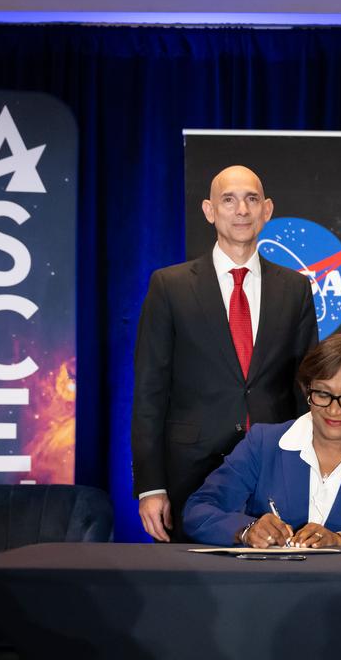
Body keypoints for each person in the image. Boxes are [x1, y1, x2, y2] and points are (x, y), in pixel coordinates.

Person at [132, 165, 319, 542]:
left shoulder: (295, 288)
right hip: (189, 471)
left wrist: (313, 473)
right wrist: (151, 486)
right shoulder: (170, 286)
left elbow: (306, 389)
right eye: (229, 200)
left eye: (252, 199)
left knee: (274, 574)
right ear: (209, 210)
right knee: (190, 577)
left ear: (267, 210)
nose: (242, 210)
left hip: (273, 469)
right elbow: (149, 391)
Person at [184, 333, 341, 548]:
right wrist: (246, 531)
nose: (334, 410)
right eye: (323, 394)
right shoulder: (263, 444)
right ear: (308, 389)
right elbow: (197, 511)